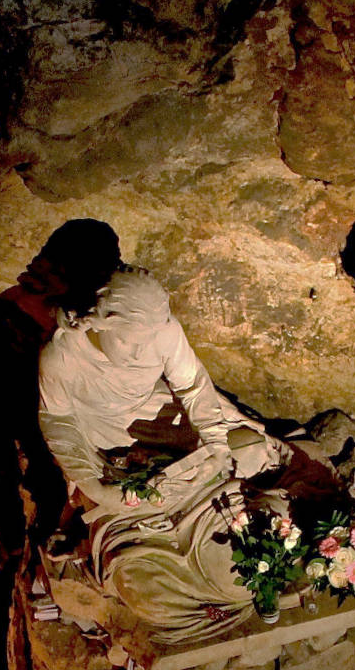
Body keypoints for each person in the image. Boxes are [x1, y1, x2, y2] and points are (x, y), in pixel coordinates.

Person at [36, 267, 288, 647]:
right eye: (129, 342)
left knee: (251, 451)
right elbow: (59, 422)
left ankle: (214, 547)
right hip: (111, 454)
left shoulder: (165, 333)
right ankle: (161, 560)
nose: (140, 352)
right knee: (143, 594)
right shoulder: (63, 356)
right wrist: (98, 490)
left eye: (148, 341)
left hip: (163, 428)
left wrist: (216, 444)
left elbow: (193, 385)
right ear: (100, 324)